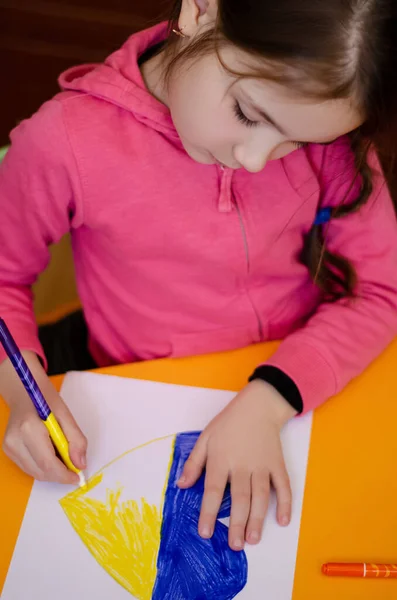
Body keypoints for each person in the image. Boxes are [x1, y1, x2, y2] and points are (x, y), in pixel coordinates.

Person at [1, 0, 397, 552]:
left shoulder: (332, 133)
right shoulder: (62, 143)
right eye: (248, 113)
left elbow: (380, 291)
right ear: (200, 10)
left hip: (299, 385)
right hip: (130, 387)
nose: (257, 160)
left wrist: (270, 397)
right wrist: (20, 391)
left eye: (299, 142)